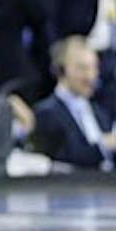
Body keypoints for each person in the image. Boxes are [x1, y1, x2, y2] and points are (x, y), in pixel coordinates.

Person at [33, 37, 115, 170]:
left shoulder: (101, 113)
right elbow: (67, 158)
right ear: (61, 70)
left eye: (94, 68)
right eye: (82, 68)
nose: (90, 76)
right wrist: (105, 144)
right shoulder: (46, 113)